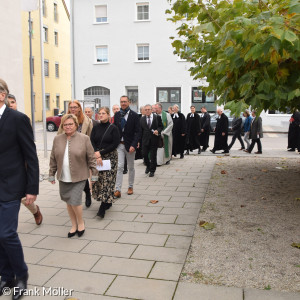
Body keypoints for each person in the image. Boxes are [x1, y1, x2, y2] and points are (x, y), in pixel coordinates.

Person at [0, 79, 39, 299]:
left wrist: (31, 188)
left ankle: (21, 276)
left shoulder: (18, 119)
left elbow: (30, 156)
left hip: (11, 186)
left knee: (6, 233)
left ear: (2, 95)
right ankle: (6, 276)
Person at [49, 114, 98, 238]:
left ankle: (81, 223)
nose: (68, 127)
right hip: (63, 176)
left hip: (79, 176)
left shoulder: (84, 138)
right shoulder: (57, 139)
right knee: (68, 202)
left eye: (70, 124)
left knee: (75, 201)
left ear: (76, 125)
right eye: (65, 124)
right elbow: (53, 158)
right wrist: (51, 174)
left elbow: (92, 158)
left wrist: (94, 176)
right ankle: (73, 225)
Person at [7, 94, 43, 225]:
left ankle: (35, 211)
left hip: (21, 167)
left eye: (13, 102)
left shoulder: (21, 119)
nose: (11, 104)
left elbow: (29, 149)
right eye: (9, 102)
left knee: (24, 198)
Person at [58, 100, 93, 208]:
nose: (73, 109)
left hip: (81, 151)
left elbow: (90, 136)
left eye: (75, 107)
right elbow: (59, 133)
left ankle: (87, 192)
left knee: (82, 174)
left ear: (79, 108)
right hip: (68, 150)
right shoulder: (65, 119)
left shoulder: (86, 121)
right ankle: (73, 195)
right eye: (71, 107)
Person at [91, 107, 120, 218]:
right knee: (99, 180)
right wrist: (96, 153)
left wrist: (101, 153)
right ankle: (108, 201)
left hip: (110, 157)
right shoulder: (96, 127)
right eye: (99, 113)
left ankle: (102, 207)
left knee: (107, 181)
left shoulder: (113, 128)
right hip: (97, 156)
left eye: (103, 113)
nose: (101, 115)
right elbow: (92, 140)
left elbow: (115, 143)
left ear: (108, 115)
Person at [113, 96, 141, 198]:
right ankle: (118, 189)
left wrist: (134, 144)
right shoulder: (117, 115)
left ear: (129, 102)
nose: (123, 103)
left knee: (131, 167)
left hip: (130, 146)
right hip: (119, 145)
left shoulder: (134, 115)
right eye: (121, 102)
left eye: (125, 102)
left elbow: (138, 132)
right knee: (119, 167)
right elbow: (115, 130)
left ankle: (130, 186)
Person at [140, 105, 163, 177]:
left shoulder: (157, 117)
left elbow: (161, 126)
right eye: (145, 109)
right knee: (144, 154)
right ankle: (148, 166)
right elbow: (140, 130)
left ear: (151, 110)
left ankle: (152, 170)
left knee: (153, 156)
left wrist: (158, 131)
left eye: (148, 109)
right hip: (145, 140)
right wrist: (138, 141)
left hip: (154, 139)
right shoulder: (142, 119)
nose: (147, 111)